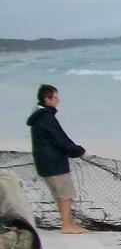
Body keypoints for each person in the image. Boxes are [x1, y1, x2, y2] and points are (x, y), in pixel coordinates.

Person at [27, 84, 87, 234]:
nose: (58, 100)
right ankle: (66, 226)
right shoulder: (46, 118)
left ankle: (68, 222)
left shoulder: (39, 116)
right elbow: (60, 139)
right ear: (47, 99)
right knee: (66, 194)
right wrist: (79, 151)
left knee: (60, 195)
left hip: (45, 163)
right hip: (53, 164)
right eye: (55, 97)